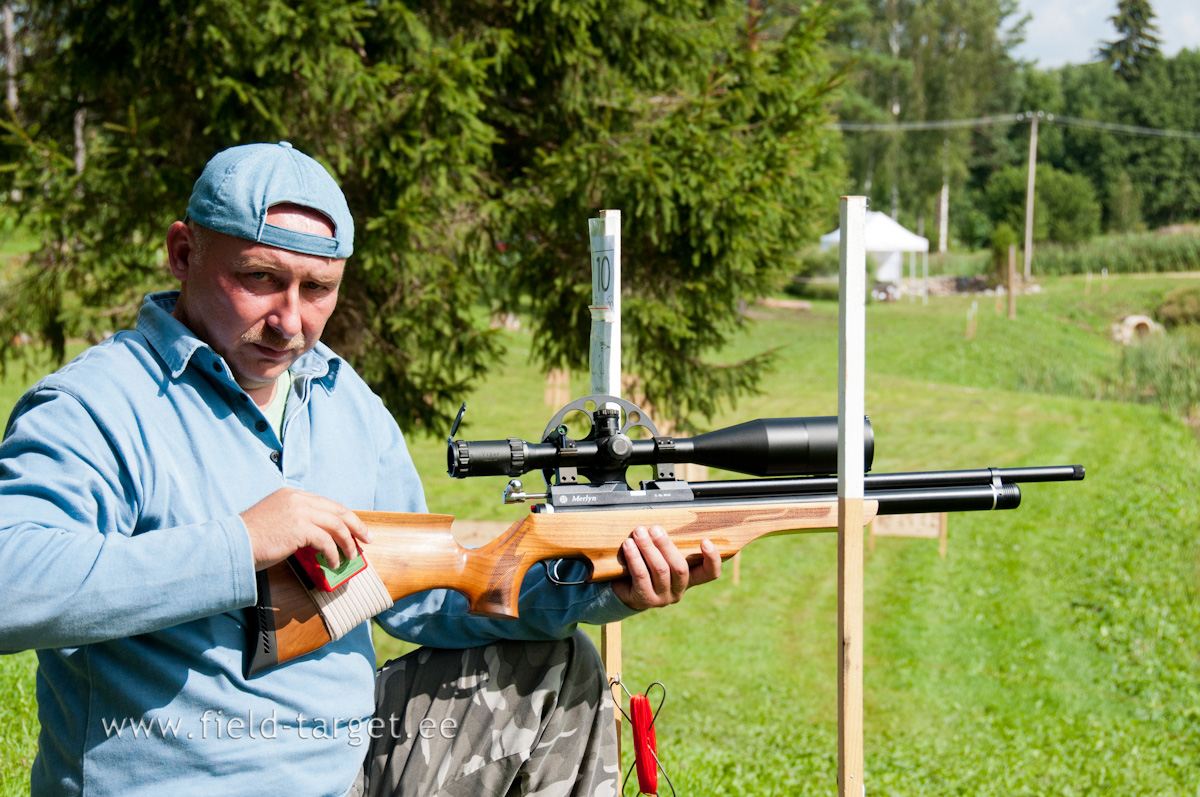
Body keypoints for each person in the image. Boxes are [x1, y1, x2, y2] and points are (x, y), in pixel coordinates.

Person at [0, 142, 721, 797]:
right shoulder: (95, 405)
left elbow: (426, 597)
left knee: (558, 665)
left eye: (318, 289)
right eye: (259, 278)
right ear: (183, 252)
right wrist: (241, 544)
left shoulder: (343, 399)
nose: (291, 321)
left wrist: (599, 582)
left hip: (346, 774)